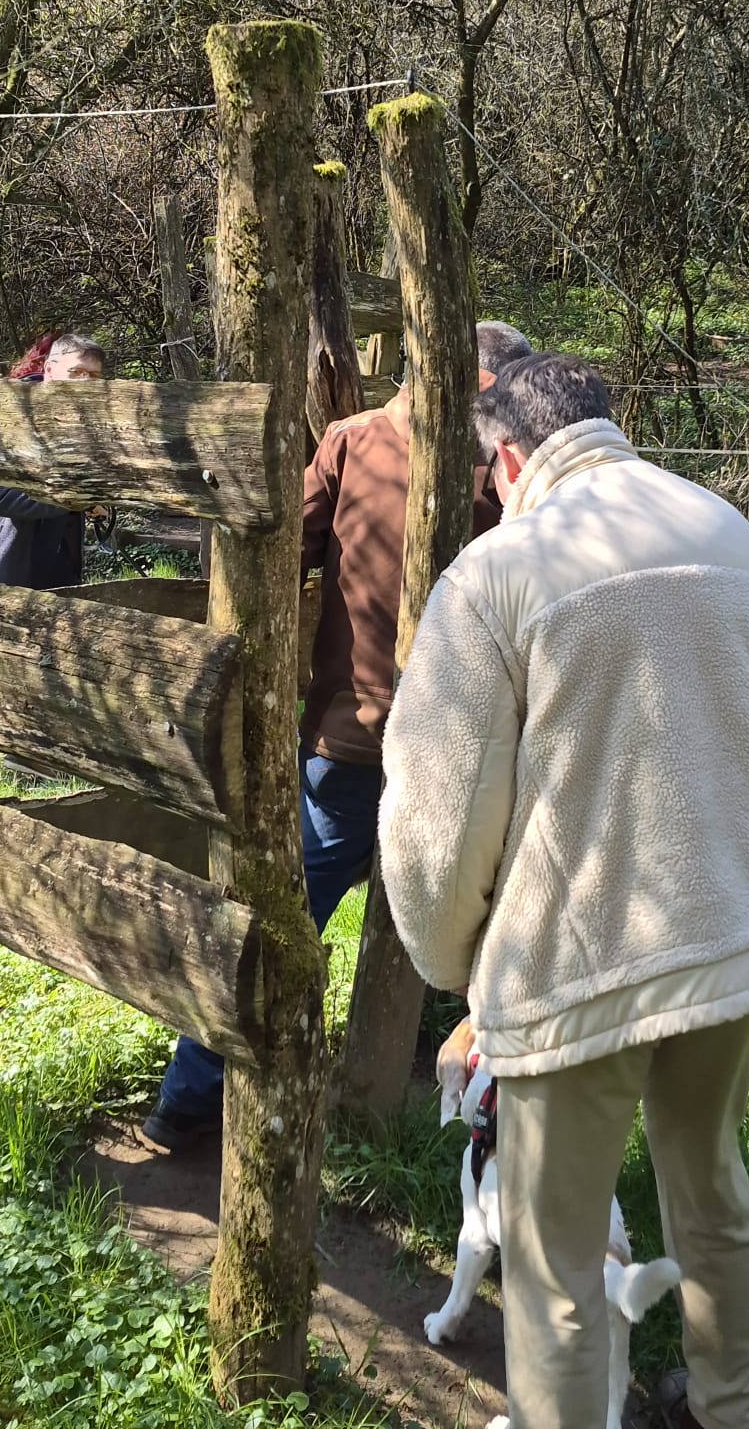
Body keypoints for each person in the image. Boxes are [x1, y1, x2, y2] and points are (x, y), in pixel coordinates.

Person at [378, 354, 749, 1429]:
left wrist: (457, 965)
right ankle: (728, 1412)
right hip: (742, 929)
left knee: (555, 1250)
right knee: (712, 1188)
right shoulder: (730, 532)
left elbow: (438, 820)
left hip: (577, 953)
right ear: (604, 424)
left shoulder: (498, 572)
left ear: (509, 458)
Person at [141, 318, 535, 1153]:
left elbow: (279, 551)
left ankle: (188, 1097)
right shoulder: (506, 471)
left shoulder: (354, 440)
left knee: (278, 915)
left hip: (349, 735)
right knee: (494, 901)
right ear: (488, 385)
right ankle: (488, 1093)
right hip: (458, 747)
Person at [0, 332, 106, 589]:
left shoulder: (78, 421)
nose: (85, 382)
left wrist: (87, 500)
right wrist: (74, 499)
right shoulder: (14, 415)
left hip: (54, 571)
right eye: (76, 372)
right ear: (49, 370)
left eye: (93, 375)